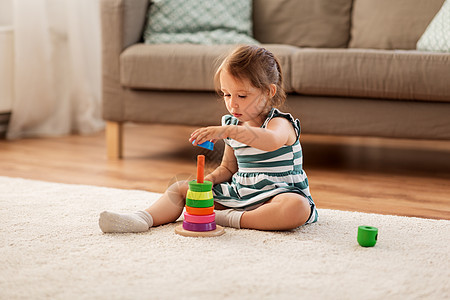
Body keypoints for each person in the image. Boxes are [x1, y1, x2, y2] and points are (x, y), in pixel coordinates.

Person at [99, 45, 318, 233]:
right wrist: (209, 181)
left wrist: (228, 132)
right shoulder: (232, 124)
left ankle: (222, 218)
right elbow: (228, 168)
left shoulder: (279, 123)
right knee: (180, 187)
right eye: (226, 94)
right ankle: (142, 219)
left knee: (296, 208)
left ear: (269, 91)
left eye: (242, 96)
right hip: (241, 194)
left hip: (277, 195)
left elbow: (270, 141)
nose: (233, 104)